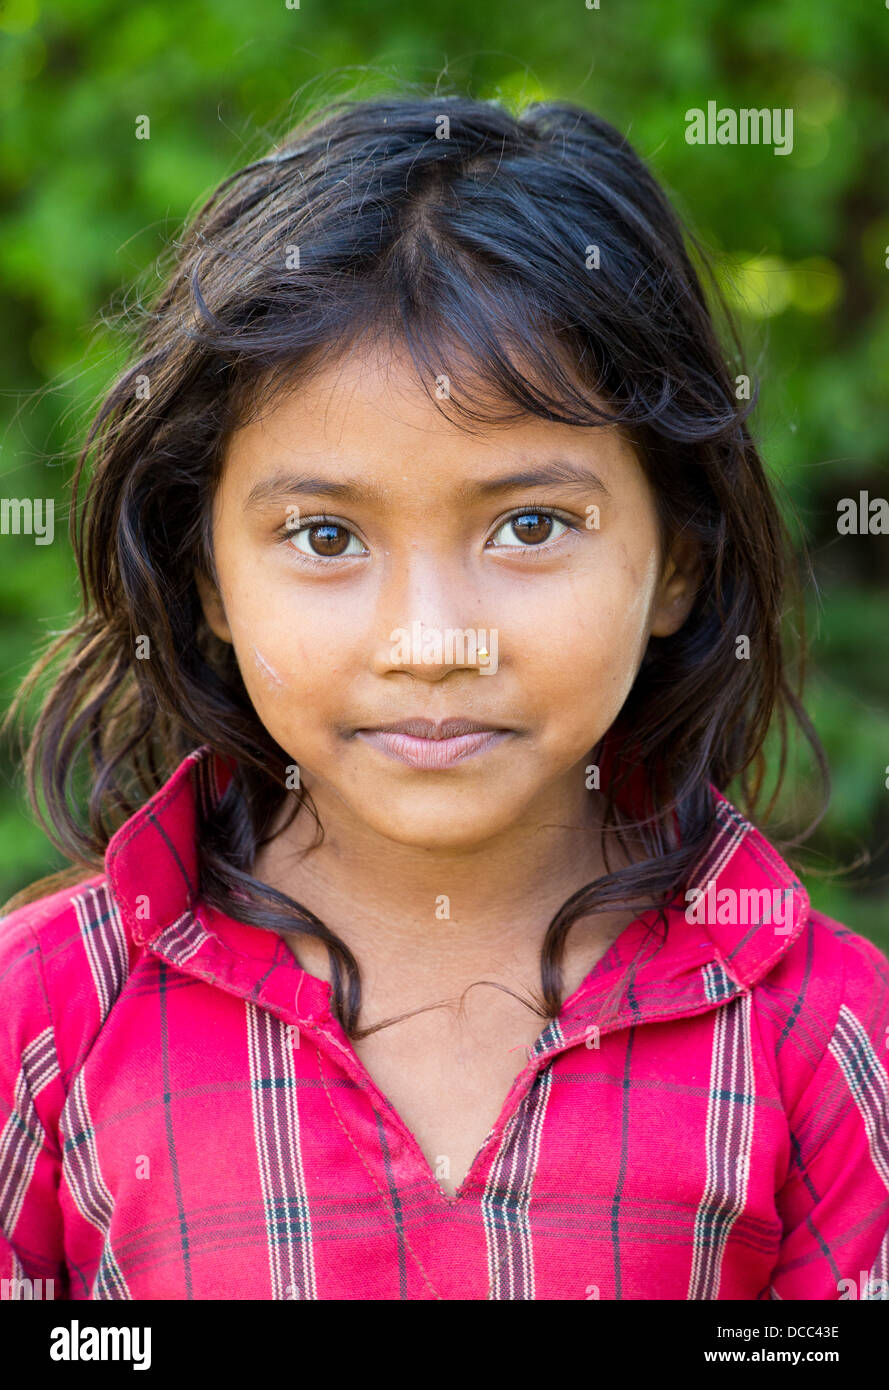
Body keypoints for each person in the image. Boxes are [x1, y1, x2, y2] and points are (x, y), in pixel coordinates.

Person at [1, 93, 886, 1302]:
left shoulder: (819, 1041)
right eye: (324, 535)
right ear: (207, 574)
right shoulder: (45, 1020)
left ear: (677, 558)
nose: (431, 640)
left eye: (529, 525)